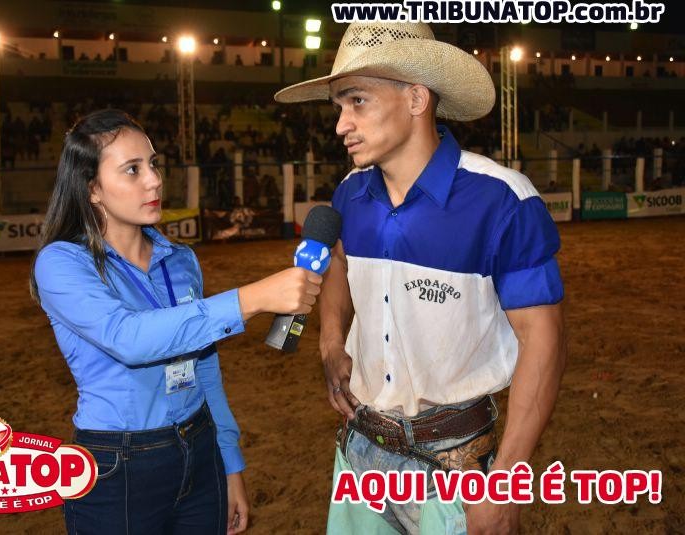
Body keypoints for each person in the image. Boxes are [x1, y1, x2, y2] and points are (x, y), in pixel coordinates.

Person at [275, 22, 566, 534]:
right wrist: (329, 336)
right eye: (339, 106)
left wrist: (507, 481)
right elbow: (338, 260)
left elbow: (543, 339)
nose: (342, 125)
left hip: (459, 464)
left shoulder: (503, 200)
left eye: (357, 101)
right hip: (360, 450)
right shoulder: (350, 193)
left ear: (415, 98)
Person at [29, 109, 322, 534]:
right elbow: (127, 338)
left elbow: (205, 369)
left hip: (200, 450)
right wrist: (252, 299)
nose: (153, 180)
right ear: (92, 188)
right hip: (119, 467)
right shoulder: (61, 264)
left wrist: (229, 462)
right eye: (133, 169)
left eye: (153, 164)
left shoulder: (180, 261)